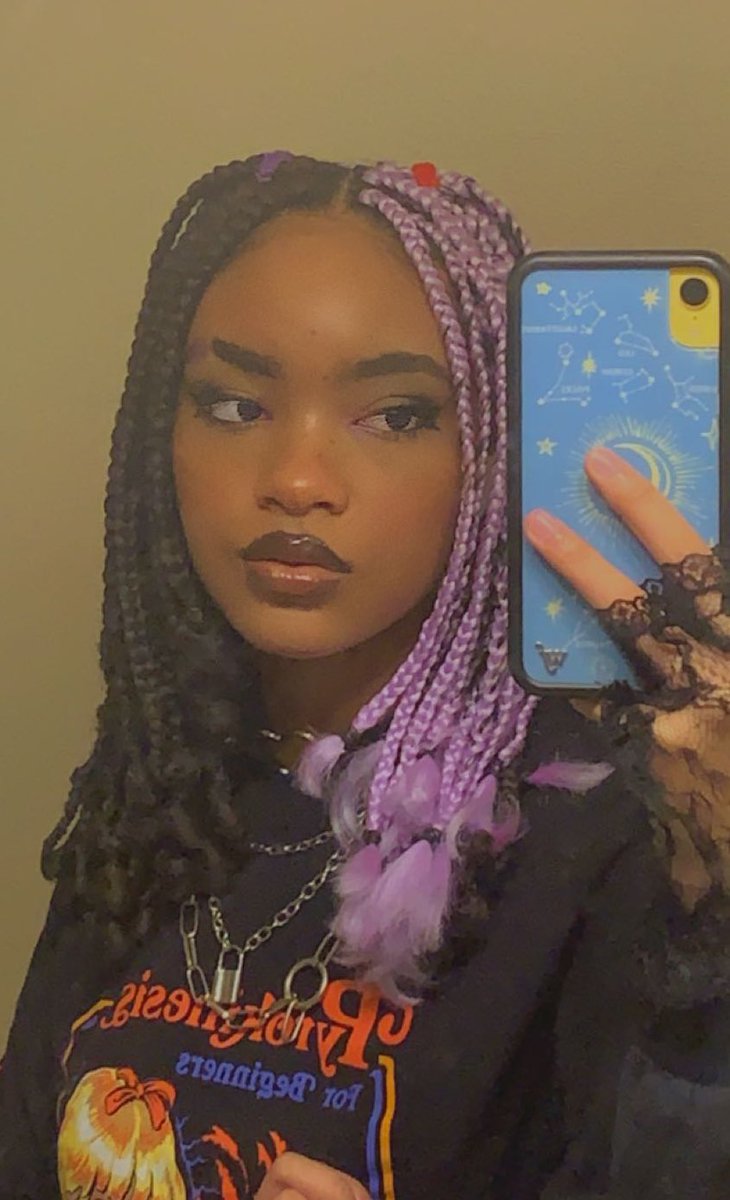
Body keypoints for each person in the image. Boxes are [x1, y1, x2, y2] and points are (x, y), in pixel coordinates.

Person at [0, 152, 728, 1200]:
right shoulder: (155, 796)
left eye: (396, 415)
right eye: (234, 404)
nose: (296, 479)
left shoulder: (614, 838)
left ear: (490, 456)